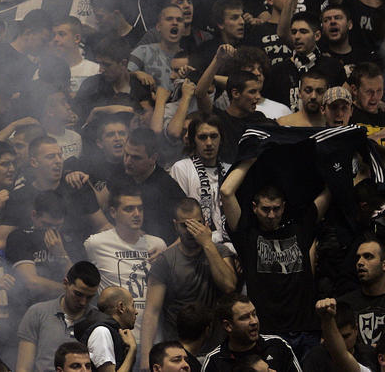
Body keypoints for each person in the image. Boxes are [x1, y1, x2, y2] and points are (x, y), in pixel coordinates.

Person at [221, 157, 329, 352]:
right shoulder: (247, 237)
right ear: (254, 208)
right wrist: (251, 157)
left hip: (306, 329)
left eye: (276, 209)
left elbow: (330, 190)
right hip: (269, 332)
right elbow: (226, 192)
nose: (271, 215)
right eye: (265, 209)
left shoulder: (300, 229)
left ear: (284, 207)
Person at [139, 199, 238, 370]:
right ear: (175, 226)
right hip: (179, 354)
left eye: (197, 224)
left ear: (205, 223)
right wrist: (145, 360)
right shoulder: (165, 261)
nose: (192, 231)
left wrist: (207, 243)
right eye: (186, 225)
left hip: (217, 350)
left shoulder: (219, 252)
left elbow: (229, 286)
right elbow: (152, 312)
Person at [83, 186, 166, 340]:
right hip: (115, 336)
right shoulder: (96, 244)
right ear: (113, 212)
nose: (137, 214)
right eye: (129, 209)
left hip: (153, 336)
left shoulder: (158, 245)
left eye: (140, 209)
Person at [15, 261, 101, 372]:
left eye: (89, 297)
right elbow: (23, 368)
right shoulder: (37, 313)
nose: (83, 302)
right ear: (65, 284)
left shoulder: (98, 320)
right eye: (78, 294)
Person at [201, 294, 302, 372]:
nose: (254, 321)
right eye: (245, 317)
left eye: (254, 314)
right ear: (228, 326)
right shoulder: (214, 361)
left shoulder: (277, 345)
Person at [73, 286, 139, 372]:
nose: (136, 311)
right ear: (121, 307)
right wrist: (132, 350)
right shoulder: (102, 332)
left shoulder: (113, 332)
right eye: (133, 305)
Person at [338, 237, 385, 347]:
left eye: (368, 257)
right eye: (358, 258)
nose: (360, 262)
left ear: (383, 265)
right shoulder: (344, 304)